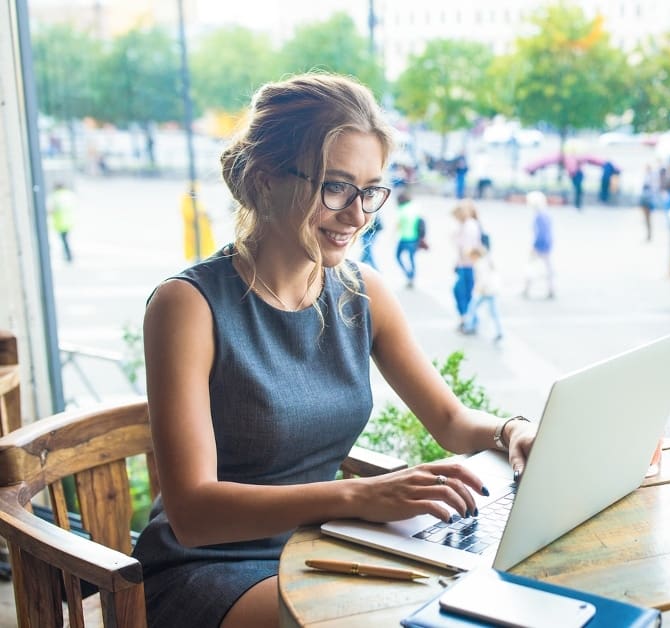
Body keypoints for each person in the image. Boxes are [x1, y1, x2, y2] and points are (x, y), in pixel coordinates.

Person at [131, 74, 536, 628]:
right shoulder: (188, 305)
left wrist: (513, 431)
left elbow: (450, 419)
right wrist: (356, 498)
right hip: (209, 567)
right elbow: (194, 514)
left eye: (370, 190)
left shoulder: (361, 291)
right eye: (335, 187)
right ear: (264, 179)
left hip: (326, 547)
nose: (359, 215)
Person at [462, 246, 504, 342]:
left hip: (484, 291)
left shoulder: (479, 264)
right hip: (492, 290)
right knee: (494, 312)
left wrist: (476, 291)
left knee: (472, 308)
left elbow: (481, 280)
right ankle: (500, 331)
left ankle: (468, 327)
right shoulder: (487, 261)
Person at [452, 199, 483, 327]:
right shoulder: (466, 224)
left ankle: (467, 319)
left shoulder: (470, 225)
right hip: (465, 264)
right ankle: (467, 318)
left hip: (468, 265)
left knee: (463, 292)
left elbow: (468, 247)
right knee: (463, 292)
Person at [523, 191, 555, 299]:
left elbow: (540, 233)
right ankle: (550, 289)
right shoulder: (545, 214)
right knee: (548, 267)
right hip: (547, 245)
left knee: (531, 266)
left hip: (540, 246)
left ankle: (527, 289)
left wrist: (535, 246)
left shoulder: (539, 216)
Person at [393, 189, 423, 288]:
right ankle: (412, 276)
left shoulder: (402, 209)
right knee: (412, 258)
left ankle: (408, 274)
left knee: (398, 256)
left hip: (404, 237)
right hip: (414, 238)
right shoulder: (415, 207)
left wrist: (393, 234)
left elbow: (399, 224)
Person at [47, 181, 76, 263]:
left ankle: (68, 256)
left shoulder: (56, 196)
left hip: (60, 222)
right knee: (66, 240)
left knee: (64, 241)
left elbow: (52, 209)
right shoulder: (69, 194)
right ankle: (68, 255)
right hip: (69, 221)